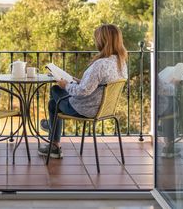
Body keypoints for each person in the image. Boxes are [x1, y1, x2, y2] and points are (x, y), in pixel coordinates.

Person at [38, 24, 128, 159]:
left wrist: (65, 85)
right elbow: (97, 86)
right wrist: (74, 80)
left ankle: (53, 139)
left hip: (85, 109)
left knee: (55, 91)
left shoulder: (100, 64)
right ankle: (53, 137)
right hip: (103, 109)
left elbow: (83, 91)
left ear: (103, 40)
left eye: (97, 38)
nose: (95, 41)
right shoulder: (120, 62)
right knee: (53, 104)